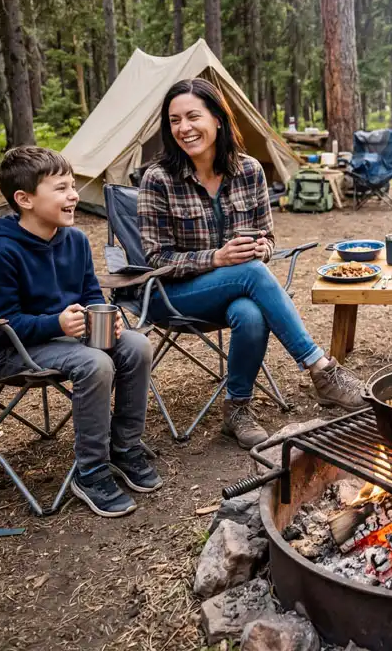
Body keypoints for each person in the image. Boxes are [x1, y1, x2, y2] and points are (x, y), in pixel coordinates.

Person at [137, 78, 366, 449]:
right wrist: (217, 257)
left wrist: (260, 248)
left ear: (218, 119)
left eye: (193, 116)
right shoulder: (158, 179)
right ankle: (322, 370)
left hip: (236, 289)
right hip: (173, 293)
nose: (184, 128)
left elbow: (268, 240)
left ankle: (237, 410)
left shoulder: (249, 171)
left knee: (250, 312)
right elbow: (156, 259)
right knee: (249, 274)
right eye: (174, 120)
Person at [0, 147, 158, 519]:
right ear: (24, 200)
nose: (74, 195)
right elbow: (0, 322)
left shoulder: (72, 240)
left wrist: (108, 316)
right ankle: (91, 471)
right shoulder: (1, 253)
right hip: (13, 349)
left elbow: (90, 292)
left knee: (137, 346)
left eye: (73, 186)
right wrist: (54, 324)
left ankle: (125, 448)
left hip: (65, 337)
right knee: (95, 364)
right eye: (61, 189)